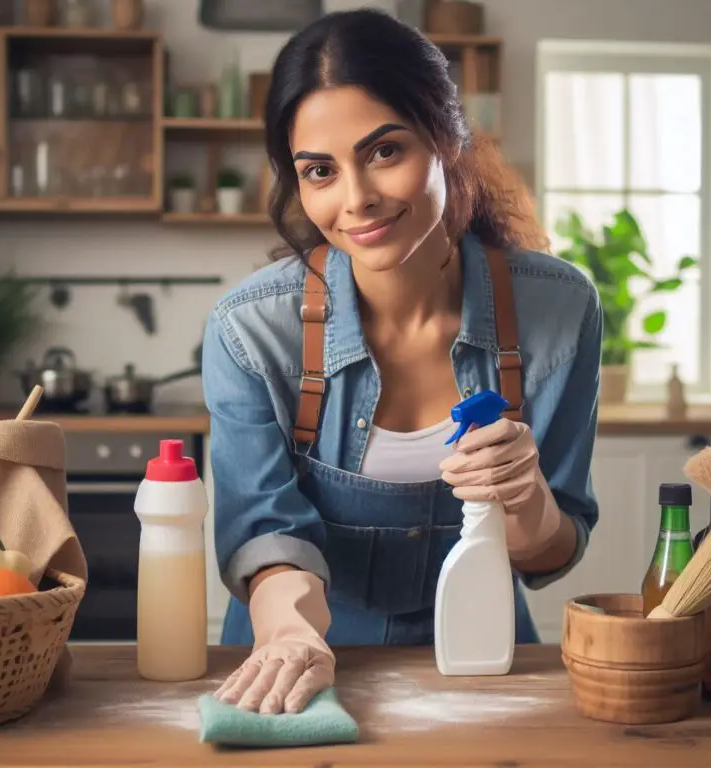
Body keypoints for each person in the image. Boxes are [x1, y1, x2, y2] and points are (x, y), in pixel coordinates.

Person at [201, 8, 601, 718]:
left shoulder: (559, 311)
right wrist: (292, 637)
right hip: (298, 670)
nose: (356, 199)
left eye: (385, 151)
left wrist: (525, 495)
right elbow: (267, 534)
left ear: (447, 141)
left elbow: (548, 555)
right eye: (319, 171)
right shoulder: (251, 331)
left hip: (484, 670)